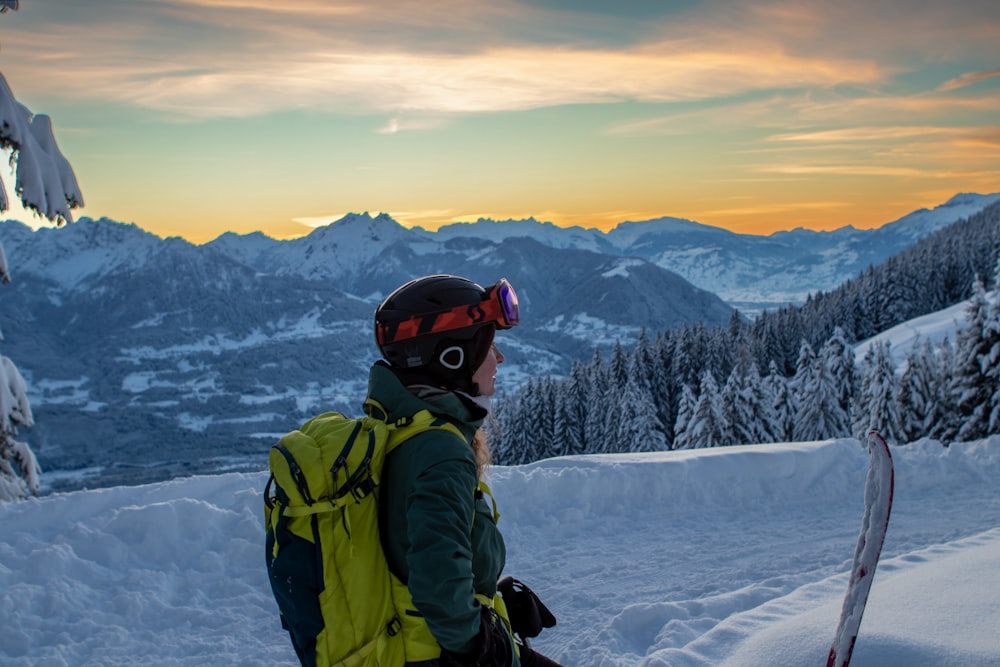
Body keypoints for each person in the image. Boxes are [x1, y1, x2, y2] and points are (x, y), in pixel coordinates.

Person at [371, 274, 561, 667]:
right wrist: (483, 648)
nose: (500, 359)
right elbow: (437, 582)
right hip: (435, 655)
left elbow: (409, 550)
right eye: (490, 345)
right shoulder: (441, 451)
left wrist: (495, 596)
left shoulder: (402, 428)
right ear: (451, 357)